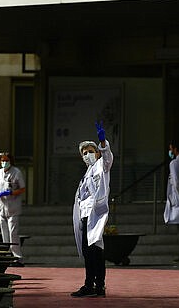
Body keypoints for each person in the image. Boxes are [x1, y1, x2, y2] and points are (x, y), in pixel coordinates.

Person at [71, 121, 113, 298]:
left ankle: (96, 285)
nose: (88, 154)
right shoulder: (87, 173)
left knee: (95, 251)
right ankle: (92, 285)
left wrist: (103, 143)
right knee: (91, 252)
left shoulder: (102, 166)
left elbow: (108, 157)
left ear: (97, 153)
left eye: (91, 151)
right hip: (85, 215)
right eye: (84, 152)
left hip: (96, 213)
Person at [0, 151, 26, 267]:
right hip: (2, 206)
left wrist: (11, 192)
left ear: (10, 161)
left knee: (13, 233)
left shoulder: (16, 172)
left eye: (6, 160)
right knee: (4, 233)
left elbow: (22, 188)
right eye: (2, 160)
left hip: (13, 206)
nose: (4, 162)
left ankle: (18, 257)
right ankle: (7, 256)